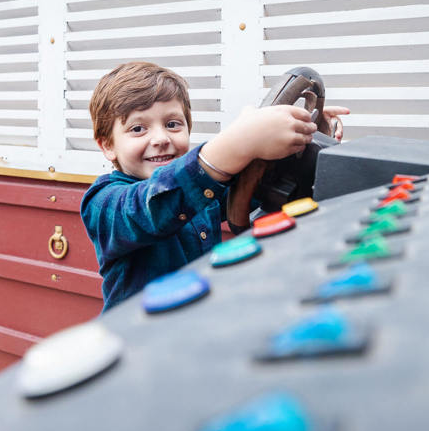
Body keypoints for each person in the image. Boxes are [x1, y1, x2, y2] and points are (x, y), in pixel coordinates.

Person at [81, 62, 349, 311]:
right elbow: (153, 205)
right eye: (138, 129)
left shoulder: (203, 183)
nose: (161, 138)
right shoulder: (104, 203)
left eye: (172, 124)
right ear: (107, 145)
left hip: (200, 319)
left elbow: (251, 186)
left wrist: (302, 134)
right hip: (140, 344)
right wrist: (239, 142)